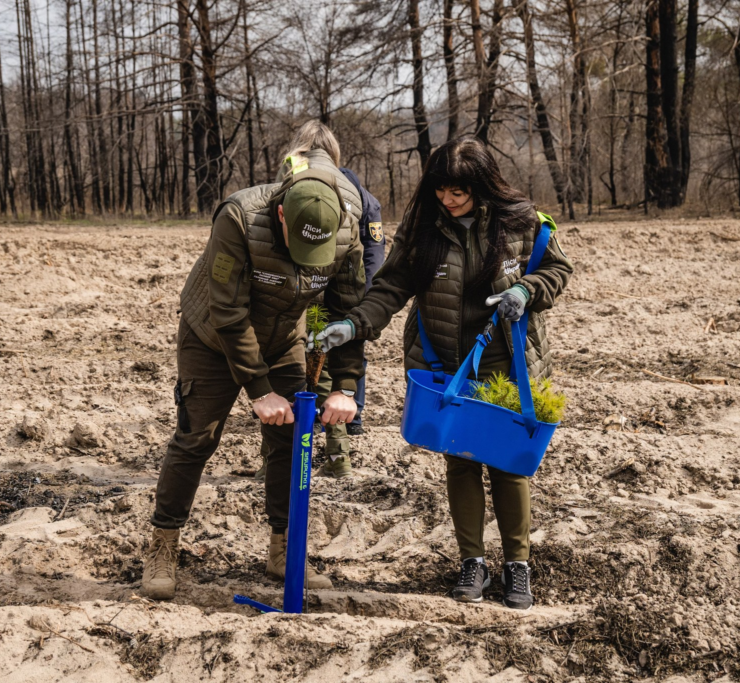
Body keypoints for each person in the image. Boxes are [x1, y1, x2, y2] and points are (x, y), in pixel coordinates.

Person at [313, 137, 573, 609]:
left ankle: (518, 567)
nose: (448, 201)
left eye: (458, 192)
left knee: (509, 461)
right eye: (441, 191)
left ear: (482, 185)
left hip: (505, 360)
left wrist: (526, 291)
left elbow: (557, 269)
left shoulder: (521, 221)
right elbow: (390, 286)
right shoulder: (423, 226)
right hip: (446, 361)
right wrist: (354, 324)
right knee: (462, 458)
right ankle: (472, 562)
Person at [140, 141, 367, 600]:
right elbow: (227, 311)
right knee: (196, 436)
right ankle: (162, 546)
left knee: (290, 441)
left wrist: (344, 385)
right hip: (210, 335)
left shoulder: (349, 227)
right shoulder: (239, 217)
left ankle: (284, 550)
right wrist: (259, 389)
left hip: (284, 335)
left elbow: (349, 312)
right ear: (282, 215)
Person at [255, 121, 386, 480]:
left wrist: (363, 308)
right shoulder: (341, 186)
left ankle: (299, 457)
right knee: (314, 370)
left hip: (319, 293)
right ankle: (332, 454)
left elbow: (371, 250)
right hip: (323, 292)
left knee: (295, 370)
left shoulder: (333, 187)